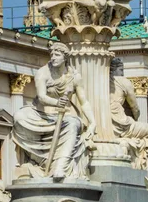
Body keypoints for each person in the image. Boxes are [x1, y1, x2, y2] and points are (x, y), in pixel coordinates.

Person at [12, 42, 96, 180]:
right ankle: (39, 160)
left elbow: (84, 102)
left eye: (57, 55)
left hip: (63, 117)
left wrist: (92, 122)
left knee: (73, 124)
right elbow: (42, 97)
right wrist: (57, 102)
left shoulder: (75, 77)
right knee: (19, 117)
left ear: (65, 57)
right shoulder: (43, 73)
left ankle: (60, 166)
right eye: (52, 55)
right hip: (41, 114)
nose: (53, 58)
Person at [109, 58, 148, 169]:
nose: (122, 73)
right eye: (121, 69)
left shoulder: (100, 81)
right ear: (115, 69)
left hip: (105, 122)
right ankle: (138, 160)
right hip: (120, 123)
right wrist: (135, 118)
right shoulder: (123, 81)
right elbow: (135, 107)